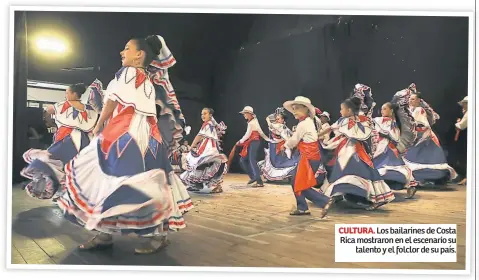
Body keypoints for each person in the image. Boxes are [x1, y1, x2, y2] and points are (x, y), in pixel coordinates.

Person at [57, 35, 192, 254]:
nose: (122, 52)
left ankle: (108, 234)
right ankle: (126, 234)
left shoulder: (128, 73)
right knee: (139, 182)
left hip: (128, 134)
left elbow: (112, 101)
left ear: (140, 54)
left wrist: (99, 125)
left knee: (114, 180)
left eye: (127, 48)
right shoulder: (147, 78)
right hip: (144, 134)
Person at [21, 83, 98, 200]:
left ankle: (51, 188)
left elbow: (47, 111)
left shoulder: (62, 105)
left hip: (67, 139)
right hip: (85, 141)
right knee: (73, 167)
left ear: (73, 93)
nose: (66, 94)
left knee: (51, 161)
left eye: (67, 92)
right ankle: (70, 194)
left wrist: (50, 123)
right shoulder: (90, 109)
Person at [319, 97, 394, 210]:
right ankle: (341, 193)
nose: (340, 111)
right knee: (345, 170)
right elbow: (330, 128)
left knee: (356, 170)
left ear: (349, 110)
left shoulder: (362, 120)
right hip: (344, 149)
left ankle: (370, 197)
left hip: (355, 150)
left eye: (342, 109)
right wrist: (317, 135)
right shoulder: (343, 120)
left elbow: (365, 133)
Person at [281, 96, 332, 217]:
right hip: (309, 157)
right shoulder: (307, 122)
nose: (294, 111)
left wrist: (285, 145)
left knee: (299, 183)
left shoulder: (303, 124)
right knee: (295, 180)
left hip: (309, 157)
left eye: (297, 108)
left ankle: (324, 201)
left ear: (306, 109)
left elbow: (294, 140)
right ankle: (302, 207)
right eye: (293, 108)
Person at [403, 92, 457, 186]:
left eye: (413, 99)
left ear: (419, 100)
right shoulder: (412, 110)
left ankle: (422, 179)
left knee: (421, 158)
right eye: (410, 99)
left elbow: (421, 125)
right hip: (417, 136)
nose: (410, 101)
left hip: (423, 137)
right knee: (417, 158)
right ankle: (420, 179)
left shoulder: (419, 110)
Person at [372, 102, 417, 198]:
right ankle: (379, 190)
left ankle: (410, 186)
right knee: (377, 167)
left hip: (387, 148)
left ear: (391, 110)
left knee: (392, 167)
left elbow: (395, 137)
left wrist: (384, 134)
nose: (382, 111)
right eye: (381, 109)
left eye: (384, 109)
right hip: (378, 146)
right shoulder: (379, 120)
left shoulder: (393, 123)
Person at [180, 108, 228, 194]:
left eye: (205, 113)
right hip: (207, 147)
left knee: (195, 161)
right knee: (201, 164)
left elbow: (199, 136)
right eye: (202, 114)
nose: (202, 116)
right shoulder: (210, 124)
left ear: (210, 115)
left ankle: (203, 185)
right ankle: (197, 184)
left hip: (209, 148)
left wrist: (192, 146)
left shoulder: (207, 125)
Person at [257, 107, 299, 182]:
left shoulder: (281, 127)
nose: (276, 120)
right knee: (272, 162)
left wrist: (267, 120)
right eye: (276, 119)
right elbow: (271, 126)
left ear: (283, 120)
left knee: (279, 163)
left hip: (280, 148)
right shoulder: (281, 126)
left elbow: (287, 137)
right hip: (275, 147)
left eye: (278, 119)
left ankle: (289, 175)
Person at [237, 106, 271, 187]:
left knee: (252, 160)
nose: (244, 115)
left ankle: (259, 181)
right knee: (243, 160)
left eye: (245, 113)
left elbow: (248, 134)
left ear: (249, 114)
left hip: (254, 142)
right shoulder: (251, 121)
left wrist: (240, 141)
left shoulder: (252, 122)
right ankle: (254, 177)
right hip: (251, 142)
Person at [454, 96, 468, 185]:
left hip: (467, 137)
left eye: (464, 104)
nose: (463, 105)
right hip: (466, 136)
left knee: (465, 157)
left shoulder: (469, 113)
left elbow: (461, 126)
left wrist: (458, 122)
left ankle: (467, 177)